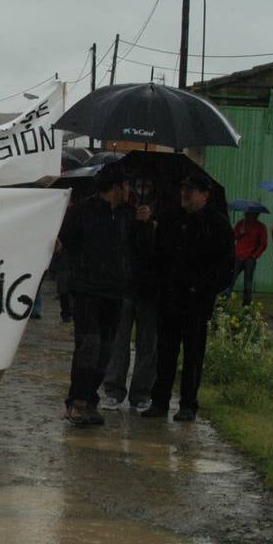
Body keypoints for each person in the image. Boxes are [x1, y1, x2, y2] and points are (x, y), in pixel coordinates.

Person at [143, 175, 235, 422]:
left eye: (191, 190)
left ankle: (188, 404)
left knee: (193, 355)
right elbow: (157, 257)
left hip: (196, 303)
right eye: (184, 189)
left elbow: (226, 268)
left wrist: (202, 288)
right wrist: (158, 286)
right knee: (165, 353)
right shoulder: (171, 219)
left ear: (205, 194)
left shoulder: (218, 224)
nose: (185, 194)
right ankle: (159, 402)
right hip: (169, 299)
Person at [56, 162, 139, 427]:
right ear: (116, 187)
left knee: (106, 349)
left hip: (115, 292)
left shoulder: (129, 215)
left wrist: (146, 225)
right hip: (86, 289)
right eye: (126, 185)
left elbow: (137, 250)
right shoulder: (82, 211)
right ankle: (76, 401)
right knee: (88, 346)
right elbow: (62, 242)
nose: (130, 190)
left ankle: (91, 399)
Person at [100, 175, 160, 411]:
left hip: (150, 288)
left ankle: (142, 392)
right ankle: (114, 389)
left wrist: (149, 225)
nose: (140, 188)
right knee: (118, 341)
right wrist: (137, 223)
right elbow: (120, 244)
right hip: (123, 284)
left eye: (146, 184)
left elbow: (157, 250)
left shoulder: (162, 212)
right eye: (137, 184)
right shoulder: (123, 213)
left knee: (148, 343)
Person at [228, 208, 268, 307]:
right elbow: (232, 237)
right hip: (237, 257)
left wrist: (254, 256)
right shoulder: (241, 223)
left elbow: (263, 244)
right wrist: (240, 233)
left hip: (249, 259)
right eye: (248, 213)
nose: (248, 215)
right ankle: (223, 302)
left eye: (251, 213)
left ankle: (246, 305)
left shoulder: (261, 227)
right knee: (229, 280)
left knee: (248, 283)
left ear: (256, 214)